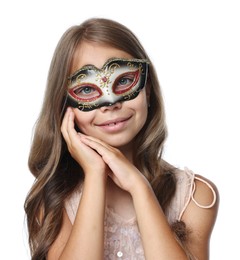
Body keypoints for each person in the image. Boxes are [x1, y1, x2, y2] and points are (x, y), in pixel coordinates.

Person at [24, 18, 219, 260]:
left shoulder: (193, 196)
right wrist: (95, 174)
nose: (111, 103)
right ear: (65, 107)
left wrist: (140, 188)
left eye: (124, 80)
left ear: (147, 89)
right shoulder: (54, 201)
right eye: (86, 89)